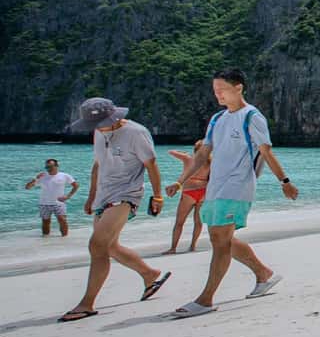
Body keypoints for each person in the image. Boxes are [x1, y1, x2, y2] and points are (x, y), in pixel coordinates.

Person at [165, 69, 298, 317]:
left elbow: (266, 152)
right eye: (215, 91)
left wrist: (285, 181)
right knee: (221, 238)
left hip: (238, 185)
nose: (218, 95)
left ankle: (205, 299)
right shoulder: (217, 118)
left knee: (220, 240)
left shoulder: (252, 117)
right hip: (215, 186)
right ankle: (264, 274)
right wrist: (180, 181)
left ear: (238, 88)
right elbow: (202, 154)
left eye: (222, 90)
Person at [57, 98, 171, 323]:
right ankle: (149, 275)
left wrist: (157, 196)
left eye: (100, 123)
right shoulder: (99, 131)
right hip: (103, 194)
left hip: (127, 194)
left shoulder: (136, 133)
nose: (97, 128)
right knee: (110, 247)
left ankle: (86, 304)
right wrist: (90, 197)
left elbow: (151, 165)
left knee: (97, 244)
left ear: (114, 117)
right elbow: (98, 164)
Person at [163, 141, 209, 254]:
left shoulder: (188, 159)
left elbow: (171, 152)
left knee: (179, 222)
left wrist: (182, 152)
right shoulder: (210, 162)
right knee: (198, 222)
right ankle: (192, 246)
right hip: (204, 192)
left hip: (189, 192)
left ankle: (173, 248)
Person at [25, 158, 79, 236]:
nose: (48, 169)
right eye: (46, 167)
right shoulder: (42, 176)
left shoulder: (64, 176)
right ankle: (45, 239)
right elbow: (27, 187)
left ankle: (65, 239)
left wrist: (68, 196)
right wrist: (35, 179)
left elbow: (76, 186)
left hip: (59, 202)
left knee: (62, 220)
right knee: (46, 222)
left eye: (50, 166)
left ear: (56, 166)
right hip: (44, 203)